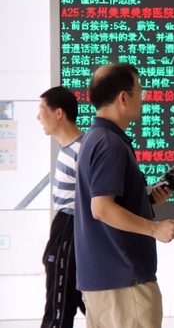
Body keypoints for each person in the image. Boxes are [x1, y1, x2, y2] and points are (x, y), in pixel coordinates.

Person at [74, 63, 174, 328]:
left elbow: (106, 204)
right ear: (123, 98)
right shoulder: (110, 143)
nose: (143, 99)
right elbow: (101, 208)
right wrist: (154, 228)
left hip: (105, 280)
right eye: (139, 92)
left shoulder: (95, 138)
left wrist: (144, 201)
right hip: (124, 281)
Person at [37, 86, 86, 328]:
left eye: (42, 110)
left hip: (70, 229)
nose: (38, 117)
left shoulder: (82, 148)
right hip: (69, 229)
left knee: (58, 313)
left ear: (58, 113)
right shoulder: (71, 148)